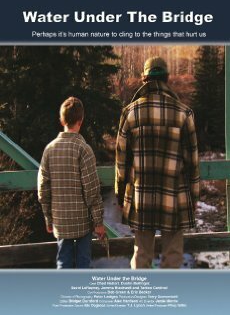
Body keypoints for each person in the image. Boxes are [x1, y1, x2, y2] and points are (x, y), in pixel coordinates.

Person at [115, 57, 200, 269]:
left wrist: (120, 193)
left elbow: (121, 159)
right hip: (174, 194)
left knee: (142, 253)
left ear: (144, 78)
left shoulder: (130, 112)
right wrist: (194, 195)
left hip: (141, 195)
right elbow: (192, 161)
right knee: (173, 255)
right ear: (167, 78)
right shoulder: (183, 113)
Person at [38, 96, 105, 269]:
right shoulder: (84, 149)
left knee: (63, 262)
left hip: (60, 220)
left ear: (62, 120)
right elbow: (91, 189)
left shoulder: (49, 149)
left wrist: (48, 218)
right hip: (82, 221)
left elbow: (43, 189)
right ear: (80, 120)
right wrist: (98, 223)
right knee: (83, 262)